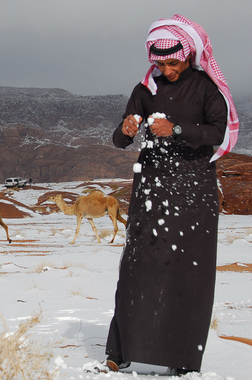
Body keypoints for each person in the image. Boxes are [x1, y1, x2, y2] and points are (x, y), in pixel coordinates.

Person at [102, 14, 239, 375]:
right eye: (160, 62)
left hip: (194, 188)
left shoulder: (207, 89)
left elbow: (217, 133)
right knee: (137, 267)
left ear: (188, 54)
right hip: (151, 188)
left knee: (188, 272)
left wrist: (175, 129)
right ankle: (122, 350)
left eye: (173, 61)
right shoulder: (144, 90)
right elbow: (119, 140)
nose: (167, 68)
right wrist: (126, 128)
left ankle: (181, 358)